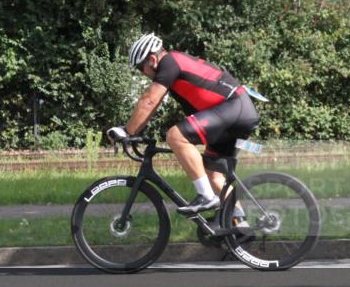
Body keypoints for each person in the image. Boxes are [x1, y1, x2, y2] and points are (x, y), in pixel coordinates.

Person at [106, 33, 259, 229]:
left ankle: (206, 197)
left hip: (233, 108)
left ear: (152, 59)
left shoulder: (169, 62)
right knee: (214, 174)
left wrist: (127, 131)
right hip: (236, 111)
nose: (141, 72)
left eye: (140, 67)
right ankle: (239, 226)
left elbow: (149, 101)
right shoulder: (174, 63)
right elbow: (153, 104)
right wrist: (133, 131)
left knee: (176, 136)